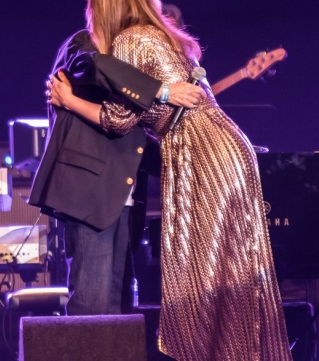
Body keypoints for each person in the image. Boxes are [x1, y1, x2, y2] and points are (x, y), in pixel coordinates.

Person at [48, 0, 292, 360]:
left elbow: (119, 118)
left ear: (106, 4)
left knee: (201, 275)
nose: (88, 12)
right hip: (226, 149)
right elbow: (168, 100)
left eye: (93, 3)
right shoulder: (156, 38)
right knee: (230, 272)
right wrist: (163, 94)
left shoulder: (129, 40)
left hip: (196, 153)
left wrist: (69, 100)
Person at [30, 30, 205, 316]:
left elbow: (129, 125)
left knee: (116, 305)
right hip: (89, 192)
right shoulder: (86, 43)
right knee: (92, 303)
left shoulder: (135, 65)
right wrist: (163, 90)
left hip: (122, 196)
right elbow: (99, 67)